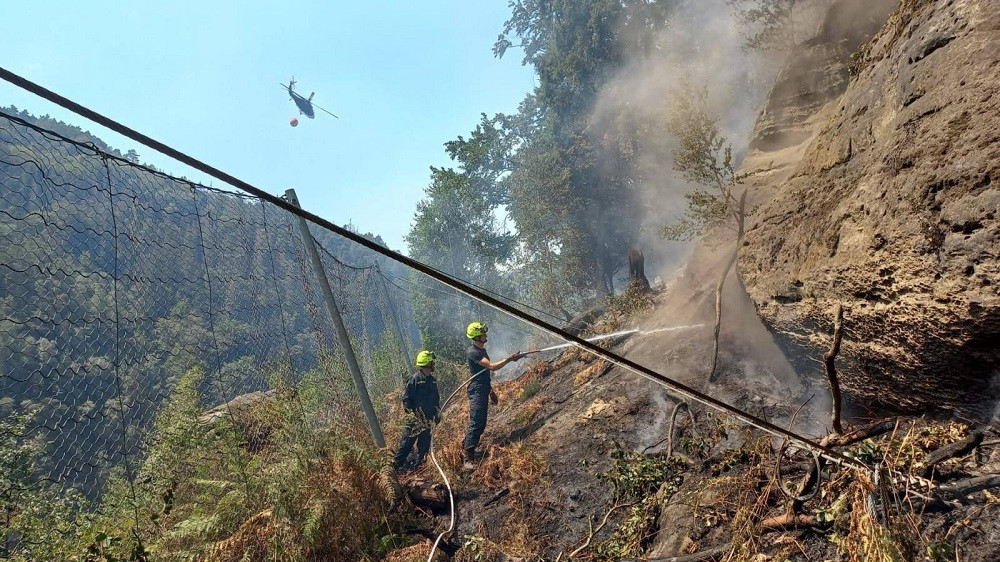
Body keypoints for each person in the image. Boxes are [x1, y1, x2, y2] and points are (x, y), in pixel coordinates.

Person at [463, 322, 524, 462]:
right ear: (477, 337)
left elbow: (484, 374)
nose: (486, 335)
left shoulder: (481, 351)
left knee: (481, 422)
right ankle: (467, 457)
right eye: (483, 333)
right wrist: (509, 359)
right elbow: (491, 367)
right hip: (477, 390)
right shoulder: (473, 353)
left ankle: (466, 447)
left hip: (483, 388)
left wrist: (491, 392)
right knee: (477, 422)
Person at [393, 350, 441, 472]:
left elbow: (436, 399)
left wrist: (437, 413)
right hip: (415, 420)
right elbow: (406, 400)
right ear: (427, 363)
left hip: (428, 419)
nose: (434, 364)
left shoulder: (433, 380)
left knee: (424, 445)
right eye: (432, 362)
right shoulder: (415, 379)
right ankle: (395, 469)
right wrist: (412, 416)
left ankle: (419, 469)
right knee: (406, 444)